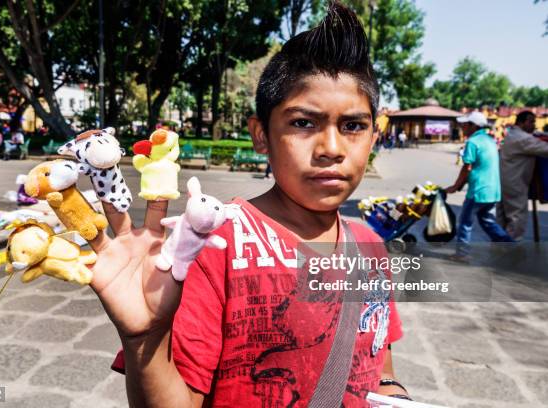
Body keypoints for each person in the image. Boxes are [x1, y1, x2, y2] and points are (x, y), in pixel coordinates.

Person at [87, 4, 408, 408]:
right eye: (303, 123)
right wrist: (146, 340)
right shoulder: (212, 244)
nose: (331, 149)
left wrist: (398, 396)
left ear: (373, 137)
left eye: (353, 126)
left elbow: (379, 364)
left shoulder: (370, 246)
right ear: (261, 136)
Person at [446, 111, 513, 261]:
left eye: (465, 125)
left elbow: (467, 167)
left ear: (473, 126)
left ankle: (462, 253)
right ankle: (511, 246)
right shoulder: (489, 140)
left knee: (465, 222)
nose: (462, 127)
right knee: (487, 221)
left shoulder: (472, 142)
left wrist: (455, 186)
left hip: (479, 191)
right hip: (493, 191)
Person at [497, 111, 548, 241]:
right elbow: (544, 149)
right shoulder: (522, 139)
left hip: (506, 180)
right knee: (517, 216)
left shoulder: (513, 134)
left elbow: (536, 137)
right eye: (531, 122)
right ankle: (511, 245)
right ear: (521, 123)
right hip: (515, 183)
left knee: (503, 215)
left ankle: (500, 244)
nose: (534, 125)